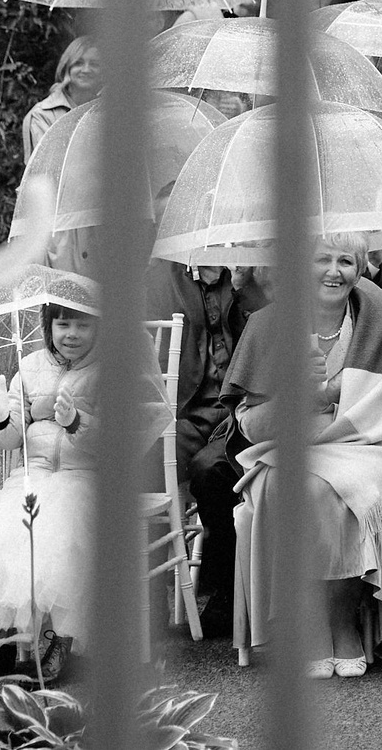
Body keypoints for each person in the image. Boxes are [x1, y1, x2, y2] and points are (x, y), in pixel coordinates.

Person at [224, 235, 382, 677]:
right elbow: (250, 425)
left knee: (361, 489)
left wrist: (334, 391)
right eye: (320, 259)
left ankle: (341, 622)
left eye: (346, 261)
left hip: (363, 442)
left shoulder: (377, 317)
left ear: (361, 269)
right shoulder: (267, 325)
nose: (333, 271)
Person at [0, 281, 151, 650]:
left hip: (87, 477)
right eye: (62, 325)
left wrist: (76, 420)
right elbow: (11, 439)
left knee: (59, 523)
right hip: (32, 475)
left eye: (82, 325)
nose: (71, 334)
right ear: (48, 327)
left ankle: (54, 635)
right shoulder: (28, 367)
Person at [164, 257, 268, 633]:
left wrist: (245, 287)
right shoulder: (164, 278)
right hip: (184, 411)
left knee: (211, 471)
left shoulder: (250, 275)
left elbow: (270, 331)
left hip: (234, 410)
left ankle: (226, 589)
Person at [22, 35, 101, 159]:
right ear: (66, 68)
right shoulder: (42, 114)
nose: (86, 70)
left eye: (94, 64)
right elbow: (48, 166)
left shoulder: (110, 111)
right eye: (78, 63)